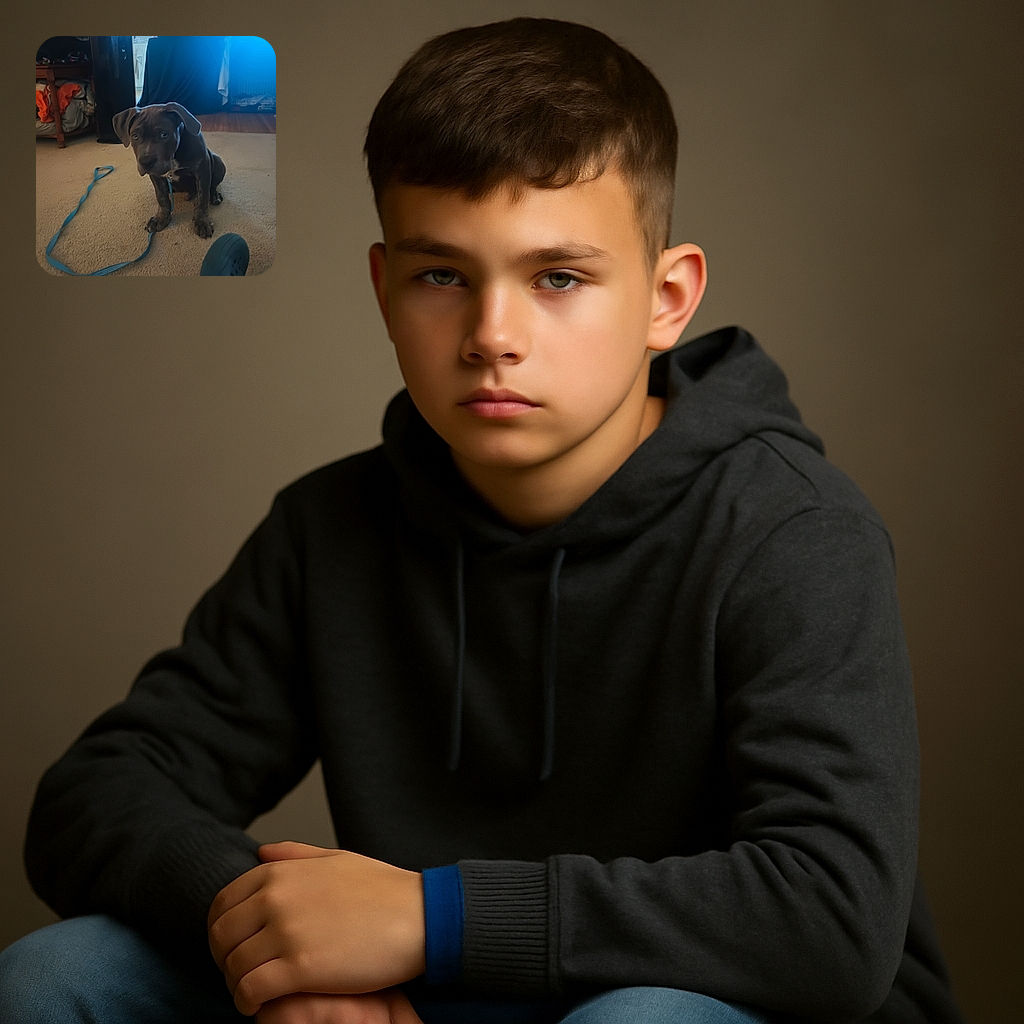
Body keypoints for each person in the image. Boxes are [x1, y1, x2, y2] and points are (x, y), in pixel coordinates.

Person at [0, 17, 963, 1024]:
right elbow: (95, 793)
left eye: (557, 277)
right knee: (54, 976)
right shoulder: (330, 529)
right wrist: (275, 933)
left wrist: (433, 916)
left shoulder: (793, 532)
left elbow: (833, 919)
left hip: (697, 1000)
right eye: (441, 277)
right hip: (434, 991)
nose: (492, 336)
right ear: (384, 290)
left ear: (665, 299)